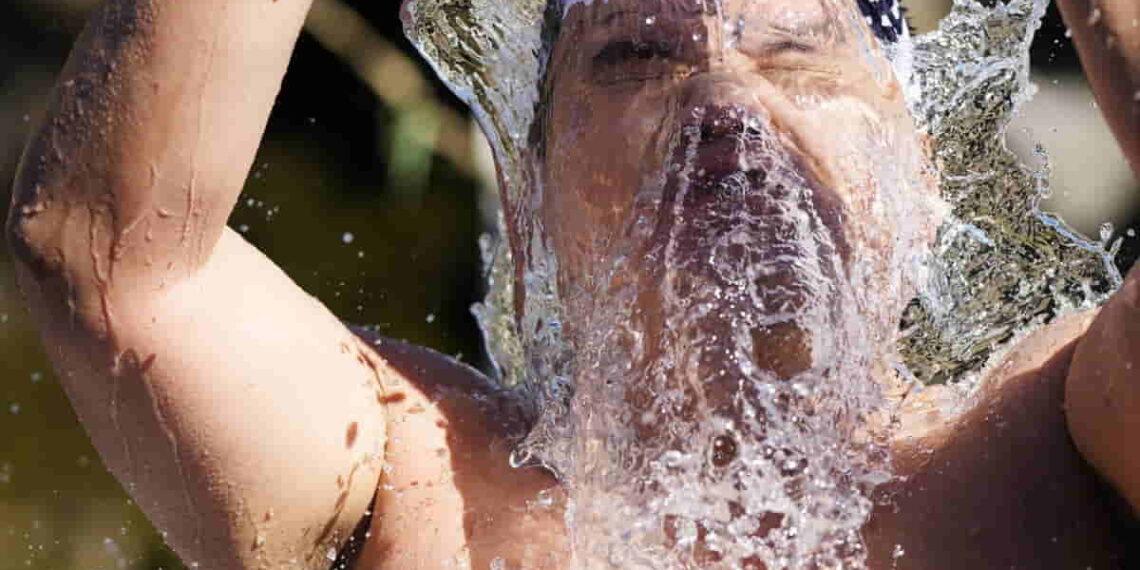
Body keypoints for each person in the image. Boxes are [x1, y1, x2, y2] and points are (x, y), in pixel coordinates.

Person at [3, 0, 1137, 568]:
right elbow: (112, 262)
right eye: (638, 55)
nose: (727, 101)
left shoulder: (1058, 442)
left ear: (924, 179)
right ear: (527, 195)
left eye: (795, 47)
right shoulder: (408, 476)